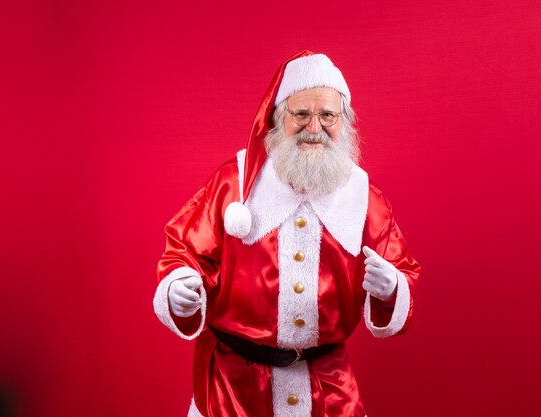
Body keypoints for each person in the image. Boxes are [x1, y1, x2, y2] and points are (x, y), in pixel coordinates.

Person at [153, 50, 420, 417]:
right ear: (278, 119)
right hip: (235, 389)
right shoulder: (235, 184)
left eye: (328, 115)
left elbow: (402, 269)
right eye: (301, 114)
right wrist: (180, 286)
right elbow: (184, 250)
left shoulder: (363, 197)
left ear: (344, 121)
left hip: (327, 389)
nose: (315, 128)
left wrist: (392, 289)